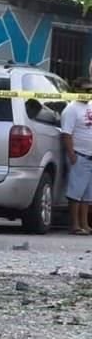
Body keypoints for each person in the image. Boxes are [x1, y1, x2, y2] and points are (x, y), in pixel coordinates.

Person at [61, 78, 92, 235]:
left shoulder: (91, 105)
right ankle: (75, 225)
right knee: (75, 193)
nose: (89, 93)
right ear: (77, 91)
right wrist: (72, 155)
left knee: (87, 195)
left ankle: (85, 224)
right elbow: (66, 134)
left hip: (90, 157)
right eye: (86, 90)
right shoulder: (71, 110)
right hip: (79, 155)